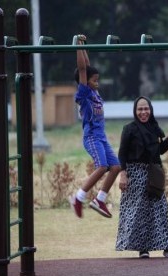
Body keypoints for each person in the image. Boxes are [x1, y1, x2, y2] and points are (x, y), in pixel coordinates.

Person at [116, 96, 168, 258]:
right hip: (135, 174)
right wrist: (122, 174)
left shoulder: (155, 128)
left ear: (150, 110)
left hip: (153, 173)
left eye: (146, 109)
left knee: (160, 209)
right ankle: (143, 248)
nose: (143, 112)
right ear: (135, 111)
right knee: (139, 212)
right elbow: (122, 153)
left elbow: (159, 151)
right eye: (140, 109)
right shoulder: (129, 129)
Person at [70, 34, 121, 218]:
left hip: (102, 137)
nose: (96, 82)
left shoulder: (95, 93)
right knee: (101, 166)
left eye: (97, 79)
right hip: (91, 136)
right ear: (85, 82)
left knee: (115, 167)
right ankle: (78, 197)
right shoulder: (84, 93)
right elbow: (83, 68)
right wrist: (76, 43)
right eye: (94, 80)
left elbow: (88, 65)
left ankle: (100, 199)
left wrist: (83, 44)